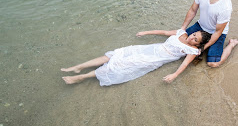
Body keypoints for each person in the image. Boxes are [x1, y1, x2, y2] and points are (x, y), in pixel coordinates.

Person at [61, 29, 211, 86]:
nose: (192, 38)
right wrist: (146, 32)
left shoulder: (192, 51)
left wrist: (174, 74)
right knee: (115, 54)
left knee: (120, 65)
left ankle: (82, 77)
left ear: (198, 45)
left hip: (153, 60)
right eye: (194, 34)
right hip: (149, 49)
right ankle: (78, 67)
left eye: (196, 39)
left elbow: (184, 65)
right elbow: (164, 33)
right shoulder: (181, 33)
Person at [181, 0, 238, 68]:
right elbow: (192, 10)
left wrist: (203, 48)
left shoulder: (225, 7)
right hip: (201, 26)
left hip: (216, 32)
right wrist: (182, 29)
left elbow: (218, 32)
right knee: (180, 41)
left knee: (213, 64)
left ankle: (232, 44)